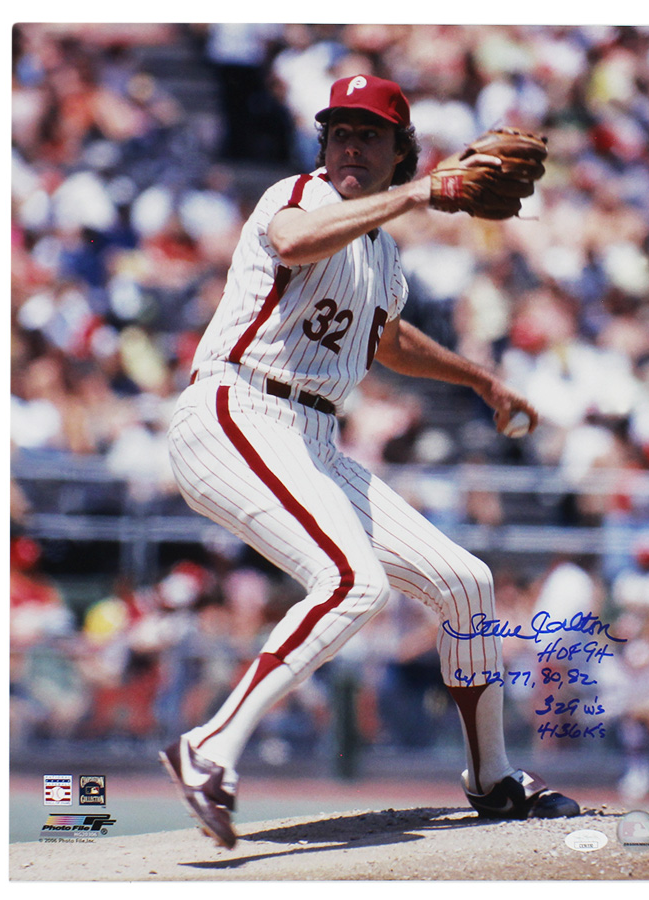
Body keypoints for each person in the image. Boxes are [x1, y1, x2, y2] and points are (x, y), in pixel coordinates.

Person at [161, 73, 580, 849]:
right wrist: (418, 195)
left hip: (312, 436)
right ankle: (209, 747)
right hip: (236, 408)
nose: (351, 147)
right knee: (354, 582)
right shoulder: (300, 196)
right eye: (341, 133)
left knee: (466, 582)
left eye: (370, 135)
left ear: (398, 150)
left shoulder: (381, 251)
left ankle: (491, 777)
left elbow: (387, 340)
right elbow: (294, 242)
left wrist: (479, 379)